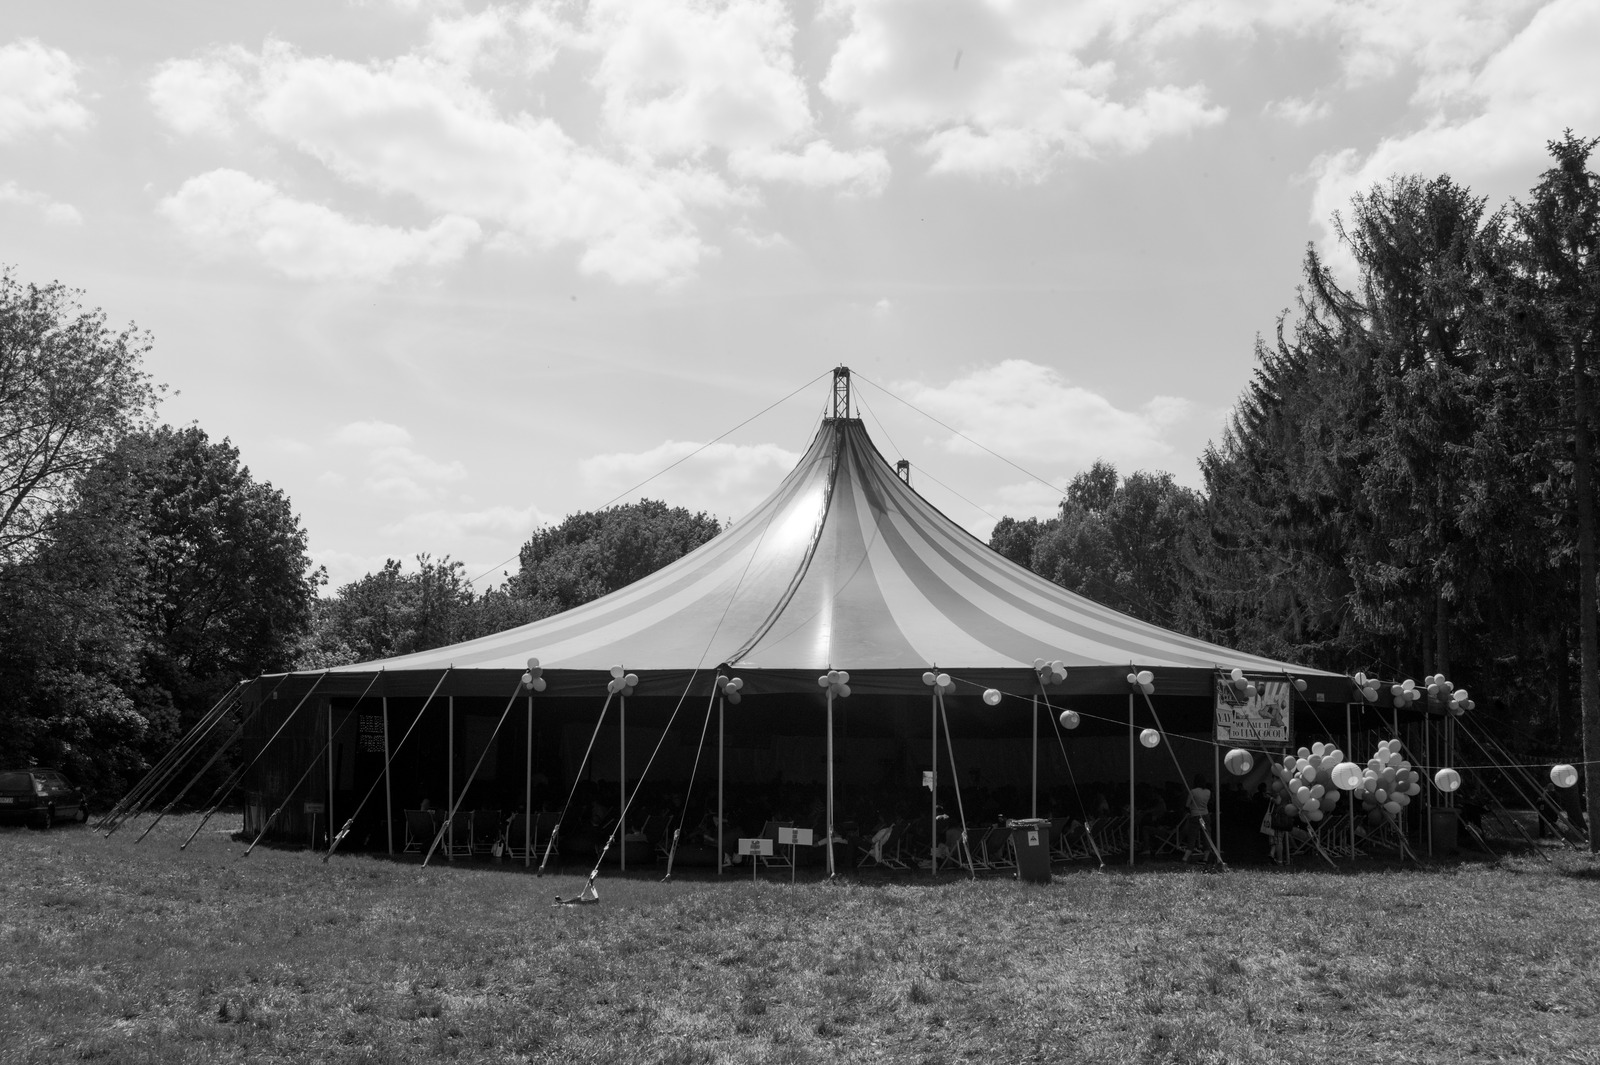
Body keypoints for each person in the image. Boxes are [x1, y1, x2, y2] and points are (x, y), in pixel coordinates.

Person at [1183, 774, 1212, 860]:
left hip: (1196, 816)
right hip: (1205, 816)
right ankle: (1206, 858)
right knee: (1206, 836)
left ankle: (1185, 857)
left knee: (1192, 837)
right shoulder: (1208, 792)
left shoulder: (1193, 791)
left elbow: (1187, 805)